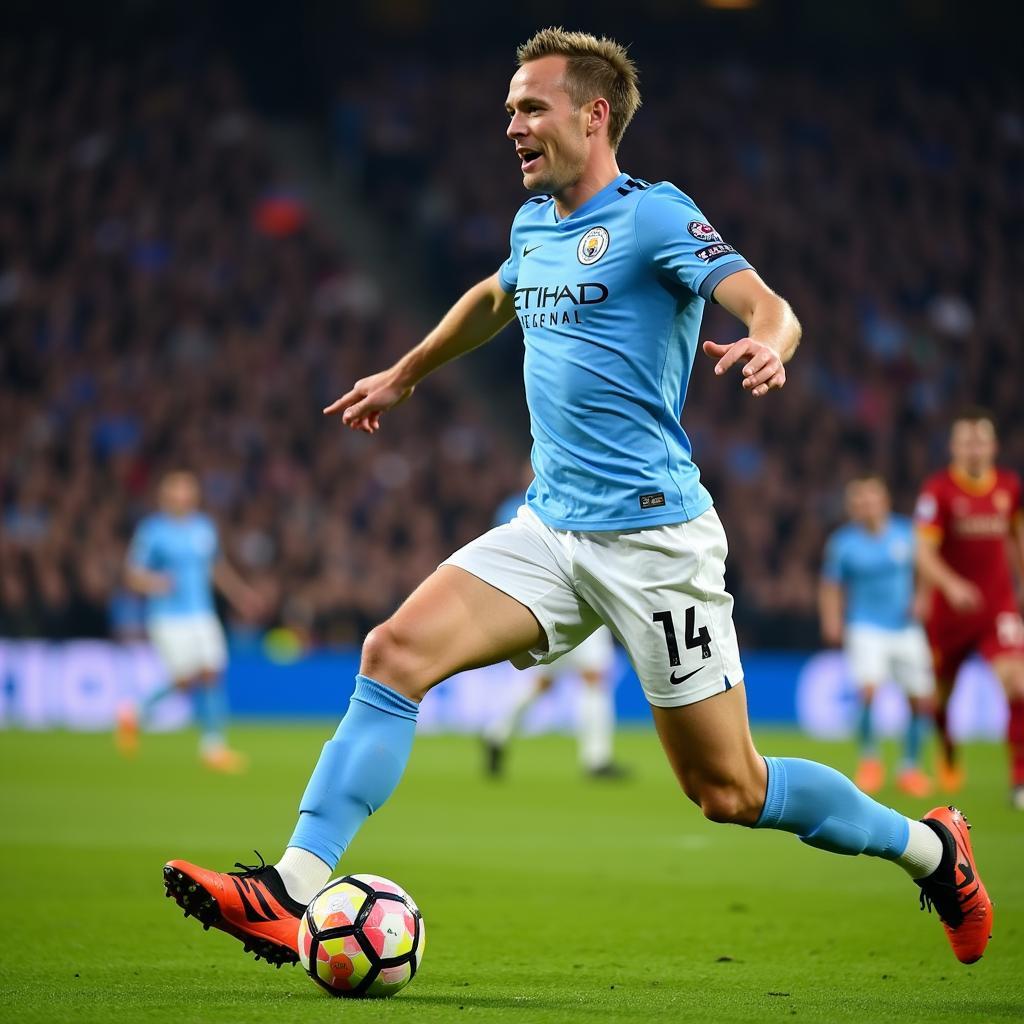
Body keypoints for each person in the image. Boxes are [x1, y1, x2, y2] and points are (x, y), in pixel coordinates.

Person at [163, 28, 991, 969]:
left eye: (530, 106)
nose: (510, 122)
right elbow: (495, 297)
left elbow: (766, 303)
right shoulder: (534, 223)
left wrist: (773, 342)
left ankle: (933, 850)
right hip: (551, 529)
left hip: (657, 543)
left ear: (594, 116)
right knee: (392, 651)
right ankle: (290, 891)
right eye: (510, 107)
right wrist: (406, 372)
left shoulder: (656, 216)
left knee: (729, 790)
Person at [914, 409, 1024, 807]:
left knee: (1018, 684)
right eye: (966, 441)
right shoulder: (939, 491)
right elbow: (923, 552)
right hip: (950, 612)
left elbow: (1017, 537)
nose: (974, 448)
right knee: (941, 698)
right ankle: (947, 748)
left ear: (993, 446)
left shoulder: (1010, 487)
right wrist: (951, 585)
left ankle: (1019, 779)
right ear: (954, 447)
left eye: (981, 441)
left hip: (998, 606)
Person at [119, 470, 261, 773]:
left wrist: (240, 595)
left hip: (202, 615)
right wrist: (156, 582)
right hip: (168, 617)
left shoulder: (203, 527)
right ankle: (135, 712)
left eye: (188, 491)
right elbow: (132, 575)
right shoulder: (152, 531)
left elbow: (216, 568)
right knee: (184, 682)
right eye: (178, 492)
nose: (184, 497)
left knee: (212, 672)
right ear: (166, 497)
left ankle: (213, 747)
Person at [820, 477, 934, 797]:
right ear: (851, 507)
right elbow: (831, 585)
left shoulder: (906, 533)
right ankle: (870, 762)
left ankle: (910, 768)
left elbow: (926, 569)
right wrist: (832, 619)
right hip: (864, 626)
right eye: (859, 501)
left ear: (884, 500)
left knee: (920, 699)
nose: (865, 506)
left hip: (905, 627)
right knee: (868, 690)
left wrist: (923, 597)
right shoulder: (843, 543)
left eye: (870, 499)